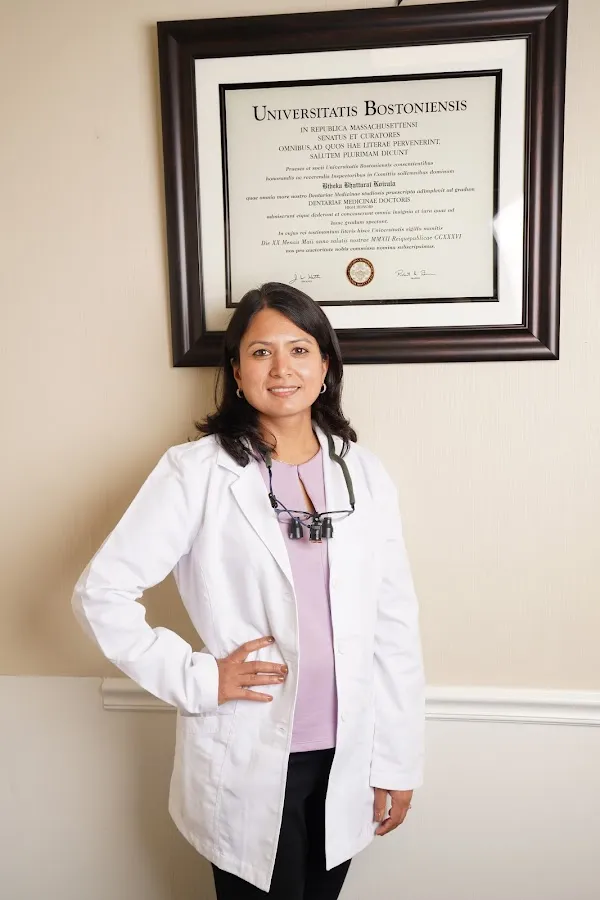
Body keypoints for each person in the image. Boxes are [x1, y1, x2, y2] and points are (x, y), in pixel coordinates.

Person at [71, 281, 425, 899]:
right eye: (261, 352)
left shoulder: (363, 474)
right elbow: (101, 593)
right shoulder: (197, 471)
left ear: (326, 366)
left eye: (300, 349)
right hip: (250, 752)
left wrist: (396, 759)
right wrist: (199, 678)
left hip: (347, 756)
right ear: (236, 372)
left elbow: (393, 624)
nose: (282, 368)